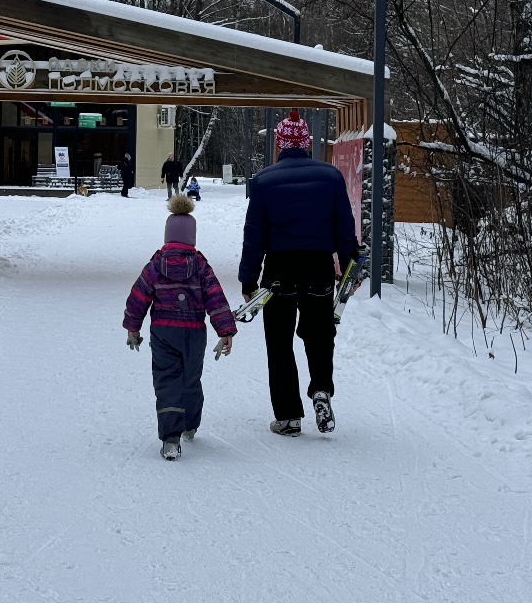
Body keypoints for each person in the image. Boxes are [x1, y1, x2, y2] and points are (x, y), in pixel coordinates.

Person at [239, 110, 358, 437]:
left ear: (280, 145)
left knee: (279, 342)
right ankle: (321, 390)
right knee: (320, 335)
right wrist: (350, 272)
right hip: (319, 267)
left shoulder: (263, 182)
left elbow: (254, 238)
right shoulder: (331, 177)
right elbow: (344, 231)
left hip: (279, 271)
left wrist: (248, 280)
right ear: (307, 144)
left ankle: (288, 416)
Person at [123, 194, 238, 460]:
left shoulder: (154, 265)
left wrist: (133, 327)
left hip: (163, 333)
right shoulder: (201, 266)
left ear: (167, 236)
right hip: (193, 334)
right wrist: (225, 331)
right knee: (190, 379)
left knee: (166, 381)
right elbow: (216, 298)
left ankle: (170, 439)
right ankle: (190, 424)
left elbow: (138, 297)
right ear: (192, 238)